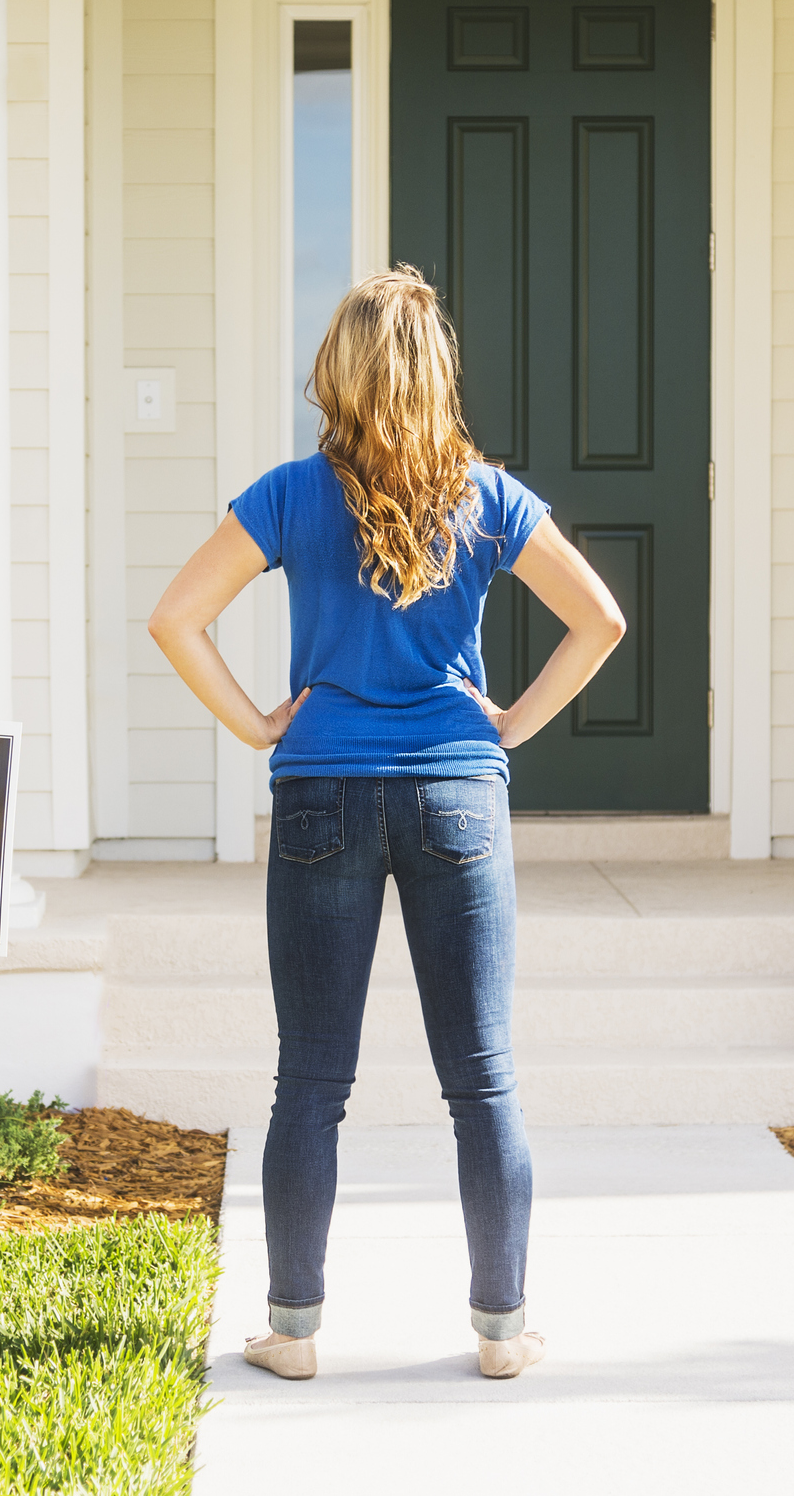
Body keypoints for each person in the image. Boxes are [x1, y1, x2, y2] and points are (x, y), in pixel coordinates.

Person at [147, 267, 626, 1383]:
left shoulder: (284, 493)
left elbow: (175, 617)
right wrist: (503, 727)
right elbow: (598, 618)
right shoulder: (489, 497)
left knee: (309, 1079)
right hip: (459, 795)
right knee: (482, 1077)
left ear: (339, 372)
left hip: (318, 791)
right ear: (434, 374)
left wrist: (261, 723)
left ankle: (293, 1332)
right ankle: (501, 1334)